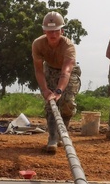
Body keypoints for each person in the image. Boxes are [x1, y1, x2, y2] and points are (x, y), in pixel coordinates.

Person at [32, 11, 81, 153]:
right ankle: (53, 137)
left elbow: (66, 71)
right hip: (50, 69)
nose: (53, 35)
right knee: (50, 105)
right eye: (49, 31)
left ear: (62, 31)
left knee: (68, 103)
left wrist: (59, 91)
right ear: (44, 31)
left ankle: (62, 132)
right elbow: (39, 71)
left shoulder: (68, 46)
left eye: (56, 31)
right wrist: (45, 90)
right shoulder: (38, 44)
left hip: (69, 72)